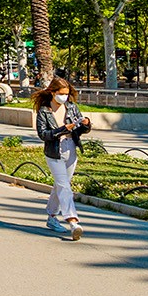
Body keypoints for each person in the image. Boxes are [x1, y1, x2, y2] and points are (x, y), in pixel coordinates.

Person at [34, 77, 90, 240]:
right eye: (61, 94)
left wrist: (85, 124)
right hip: (54, 152)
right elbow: (43, 134)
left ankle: (51, 217)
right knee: (64, 186)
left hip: (70, 149)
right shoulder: (44, 111)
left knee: (61, 185)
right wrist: (61, 129)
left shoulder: (72, 108)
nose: (64, 97)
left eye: (67, 94)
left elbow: (80, 130)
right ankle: (73, 221)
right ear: (52, 92)